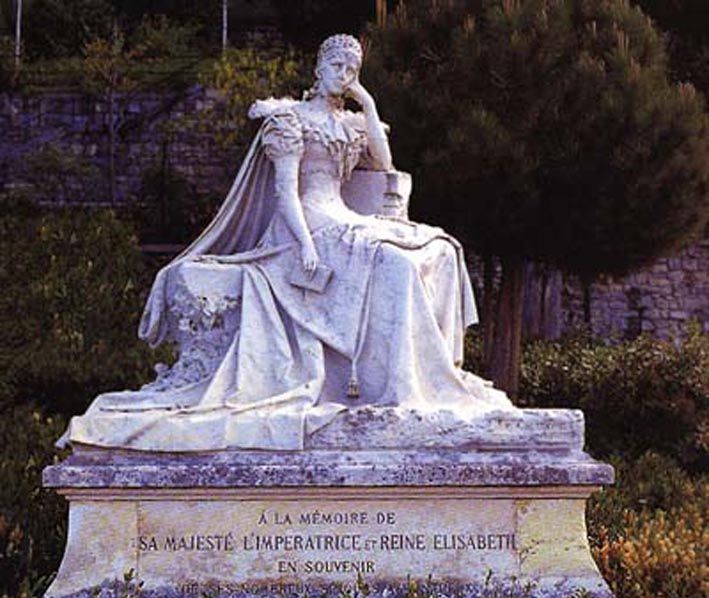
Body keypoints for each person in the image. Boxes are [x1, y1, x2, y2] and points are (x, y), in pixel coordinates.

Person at [60, 34, 511, 453]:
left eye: (352, 68)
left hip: (345, 218)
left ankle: (424, 378)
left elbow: (384, 163)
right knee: (396, 263)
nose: (344, 74)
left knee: (441, 249)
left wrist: (368, 103)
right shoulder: (289, 119)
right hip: (309, 222)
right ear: (319, 67)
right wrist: (306, 245)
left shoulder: (351, 123)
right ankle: (399, 382)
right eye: (337, 65)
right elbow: (285, 194)